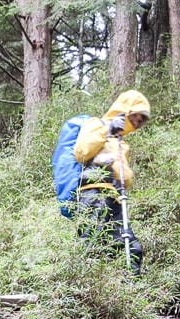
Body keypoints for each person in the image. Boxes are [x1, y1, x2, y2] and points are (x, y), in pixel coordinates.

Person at [72, 90, 151, 275]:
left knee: (131, 249)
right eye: (135, 117)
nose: (137, 123)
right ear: (125, 110)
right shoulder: (96, 125)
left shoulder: (121, 143)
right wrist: (108, 130)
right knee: (90, 244)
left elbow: (125, 177)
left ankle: (130, 292)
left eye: (140, 121)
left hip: (114, 200)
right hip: (92, 195)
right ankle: (84, 293)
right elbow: (81, 152)